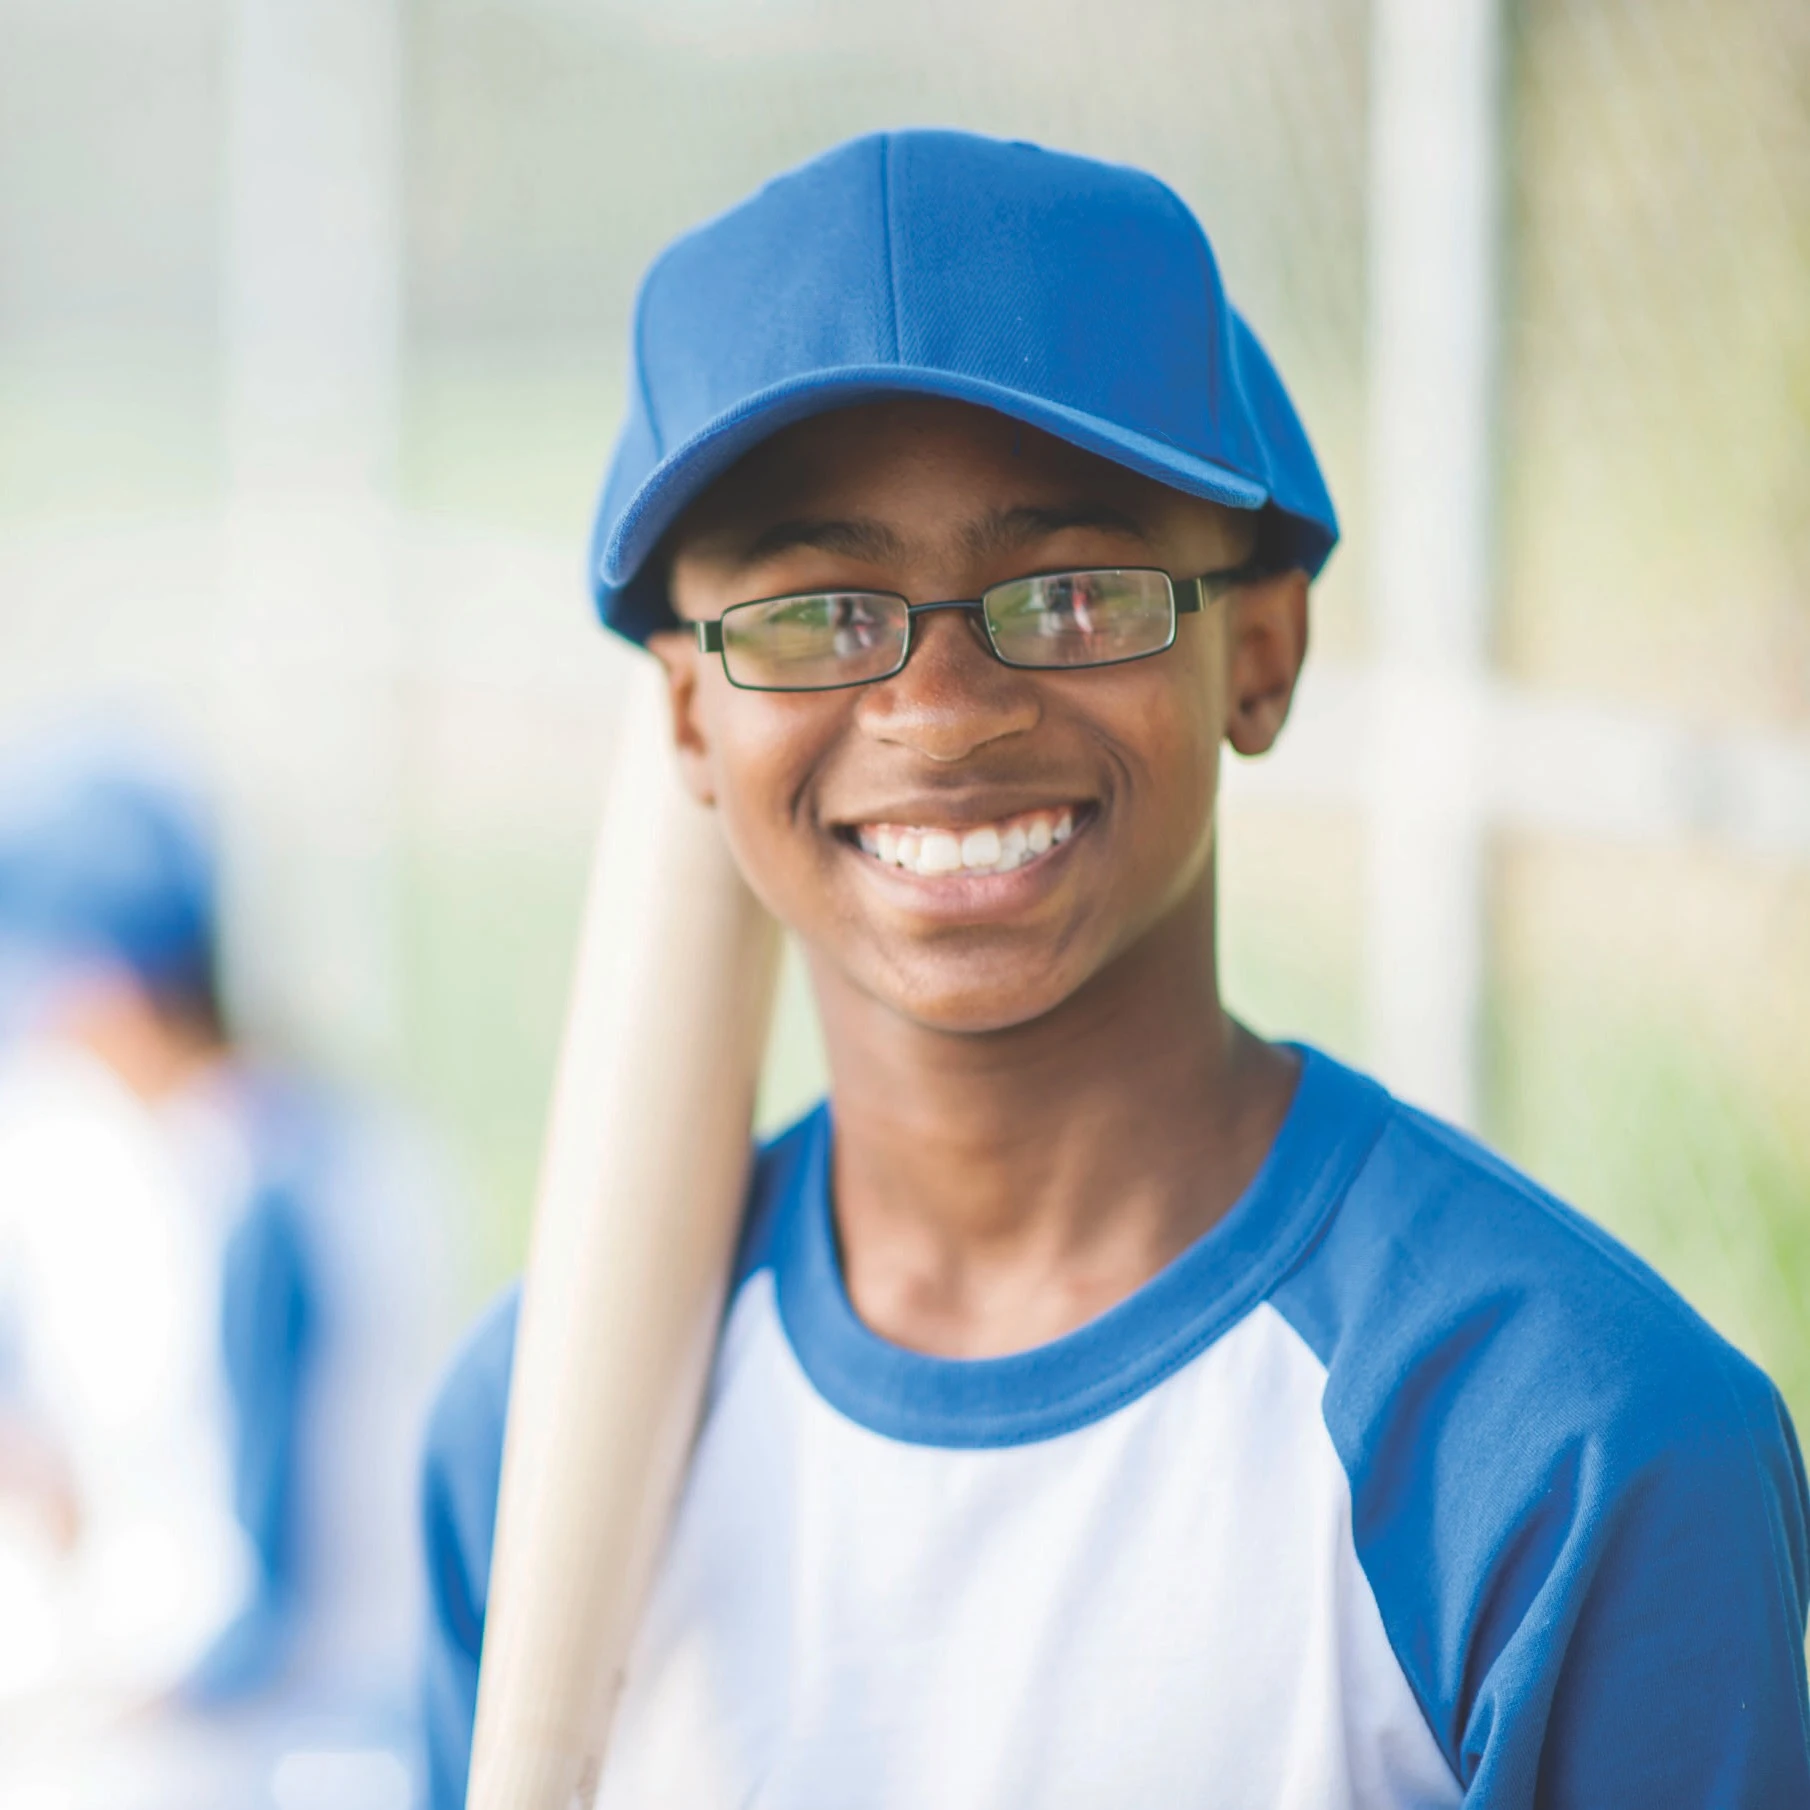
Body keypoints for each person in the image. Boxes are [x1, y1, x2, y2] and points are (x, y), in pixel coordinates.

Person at [418, 131, 1810, 1807]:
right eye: (815, 612)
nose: (939, 711)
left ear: (1265, 650)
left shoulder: (1563, 1442)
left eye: (1073, 593)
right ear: (684, 718)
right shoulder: (538, 1428)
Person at [0, 741, 453, 1802]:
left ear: (106, 988)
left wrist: (81, 1695)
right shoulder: (302, 1136)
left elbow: (256, 1600)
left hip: (292, 1747)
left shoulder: (269, 1186)